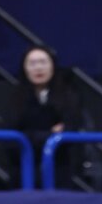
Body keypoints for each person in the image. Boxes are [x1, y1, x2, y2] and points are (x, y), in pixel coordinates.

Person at [6, 45, 83, 187]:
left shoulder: (68, 97)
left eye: (43, 62)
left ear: (53, 66)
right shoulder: (15, 98)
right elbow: (11, 140)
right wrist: (50, 134)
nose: (38, 68)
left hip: (59, 172)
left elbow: (71, 133)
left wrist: (33, 136)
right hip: (24, 173)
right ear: (25, 68)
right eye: (32, 63)